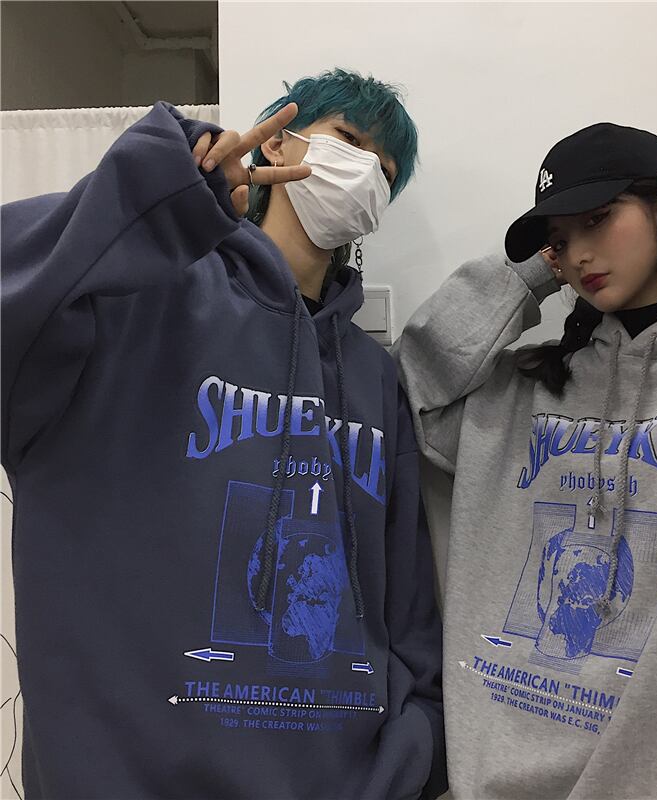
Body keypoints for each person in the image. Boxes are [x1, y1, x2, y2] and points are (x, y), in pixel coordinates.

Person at [1, 68, 446, 799]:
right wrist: (162, 191)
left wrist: (408, 760)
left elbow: (404, 606)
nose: (366, 170)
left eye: (386, 171)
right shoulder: (135, 300)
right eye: (349, 138)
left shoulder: (372, 376)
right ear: (279, 139)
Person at [393, 122, 657, 799]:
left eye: (598, 218)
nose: (579, 254)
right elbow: (413, 390)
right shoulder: (523, 391)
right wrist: (529, 275)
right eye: (560, 240)